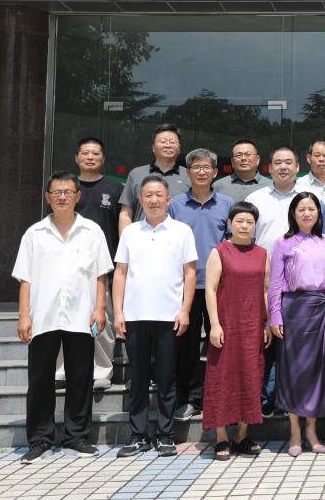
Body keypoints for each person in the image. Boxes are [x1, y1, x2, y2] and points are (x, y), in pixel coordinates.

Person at [13, 172, 112, 464]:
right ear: (48, 197)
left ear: (77, 196)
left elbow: (101, 275)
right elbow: (25, 279)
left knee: (80, 378)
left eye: (68, 191)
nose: (63, 197)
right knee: (40, 379)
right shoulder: (35, 233)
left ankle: (76, 436)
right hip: (43, 316)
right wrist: (23, 315)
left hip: (82, 315)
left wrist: (100, 308)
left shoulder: (92, 231)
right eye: (57, 192)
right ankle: (39, 439)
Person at [113, 174, 197, 458]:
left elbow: (189, 273)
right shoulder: (130, 232)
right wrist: (118, 312)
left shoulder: (182, 231)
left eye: (158, 195)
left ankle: (165, 434)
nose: (153, 200)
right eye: (148, 195)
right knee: (137, 379)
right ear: (140, 199)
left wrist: (185, 310)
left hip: (169, 316)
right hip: (135, 316)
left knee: (166, 378)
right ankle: (138, 435)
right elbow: (120, 272)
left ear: (168, 199)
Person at [268, 192, 325, 458]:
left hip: (321, 308)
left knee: (318, 370)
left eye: (312, 209)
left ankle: (311, 430)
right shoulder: (283, 242)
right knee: (292, 370)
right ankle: (295, 432)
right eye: (302, 209)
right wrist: (275, 315)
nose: (307, 213)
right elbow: (275, 282)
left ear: (318, 213)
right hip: (293, 310)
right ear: (293, 213)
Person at [167, 149, 235, 422]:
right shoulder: (175, 205)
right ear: (188, 172)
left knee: (222, 342)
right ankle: (191, 398)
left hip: (220, 286)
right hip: (186, 287)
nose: (202, 172)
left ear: (215, 172)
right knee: (187, 346)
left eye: (207, 167)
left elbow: (233, 243)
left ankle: (222, 396)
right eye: (196, 167)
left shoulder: (227, 204)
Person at [203, 201, 271, 461]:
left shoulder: (263, 253)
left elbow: (266, 290)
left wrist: (266, 323)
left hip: (253, 326)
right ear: (230, 223)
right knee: (222, 378)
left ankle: (242, 435)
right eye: (240, 221)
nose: (244, 226)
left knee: (251, 376)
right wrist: (214, 324)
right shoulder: (220, 252)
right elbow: (210, 290)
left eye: (249, 222)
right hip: (226, 325)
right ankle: (221, 437)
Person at [53, 138, 120, 392]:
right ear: (77, 158)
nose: (90, 157)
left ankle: (102, 370)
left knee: (102, 319)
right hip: (67, 265)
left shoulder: (114, 188)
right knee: (63, 316)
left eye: (95, 153)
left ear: (103, 158)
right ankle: (62, 370)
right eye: (85, 153)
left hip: (102, 265)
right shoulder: (66, 188)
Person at [247, 146, 301, 416]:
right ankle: (266, 398)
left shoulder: (308, 197)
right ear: (269, 168)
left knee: (293, 343)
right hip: (262, 280)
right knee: (266, 338)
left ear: (298, 167)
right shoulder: (256, 198)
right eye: (278, 162)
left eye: (288, 162)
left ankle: (289, 397)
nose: (283, 167)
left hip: (300, 284)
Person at [119, 123, 190, 231]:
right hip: (141, 237)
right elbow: (126, 213)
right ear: (153, 147)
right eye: (163, 142)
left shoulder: (189, 175)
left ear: (179, 148)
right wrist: (126, 239)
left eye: (172, 142)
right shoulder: (136, 174)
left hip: (177, 238)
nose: (168, 145)